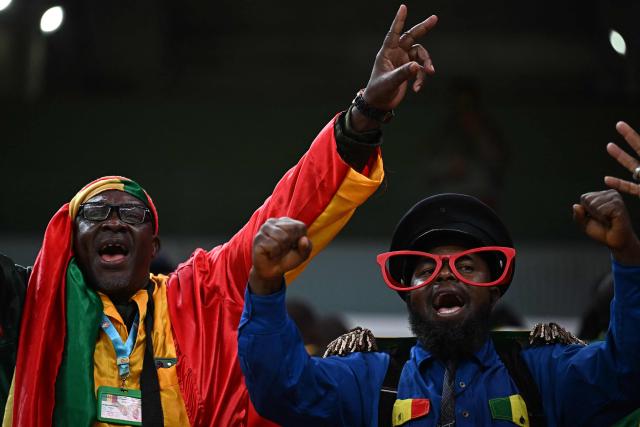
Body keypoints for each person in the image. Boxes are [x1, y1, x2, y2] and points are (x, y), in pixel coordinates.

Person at [0, 5, 438, 425]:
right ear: (73, 240)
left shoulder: (204, 294)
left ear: (153, 245)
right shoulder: (34, 308)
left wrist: (366, 114)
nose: (114, 221)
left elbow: (292, 204)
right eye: (96, 211)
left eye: (131, 213)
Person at [238, 122, 640, 426]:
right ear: (408, 294)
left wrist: (628, 254)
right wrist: (265, 284)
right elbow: (281, 391)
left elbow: (626, 373)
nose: (445, 276)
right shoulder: (368, 380)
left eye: (466, 266)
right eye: (426, 270)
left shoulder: (543, 373)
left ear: (495, 290)